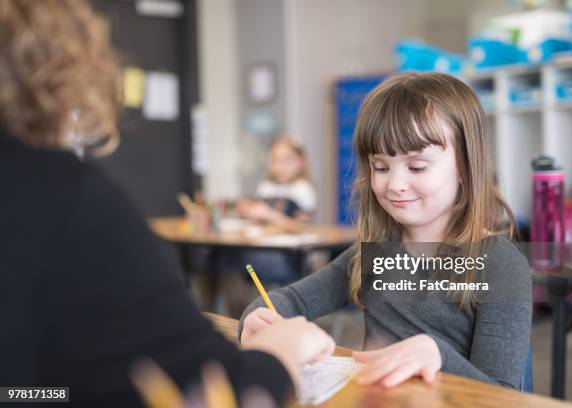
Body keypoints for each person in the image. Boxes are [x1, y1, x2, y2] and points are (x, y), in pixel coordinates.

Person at [0, 1, 335, 406]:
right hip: (257, 320)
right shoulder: (66, 199)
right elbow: (221, 391)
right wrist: (282, 349)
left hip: (277, 261)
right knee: (222, 263)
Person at [240, 73, 532, 390]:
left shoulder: (501, 264)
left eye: (417, 167)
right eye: (380, 167)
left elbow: (504, 395)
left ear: (465, 166)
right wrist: (256, 318)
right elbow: (290, 300)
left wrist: (437, 355)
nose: (394, 185)